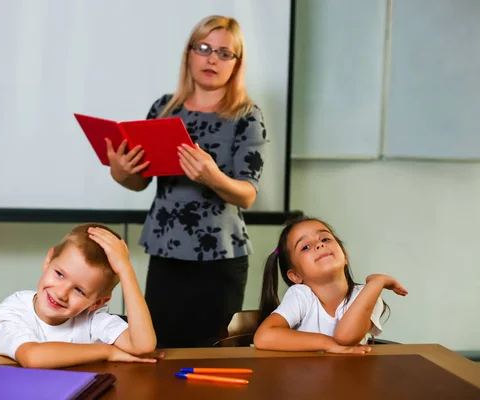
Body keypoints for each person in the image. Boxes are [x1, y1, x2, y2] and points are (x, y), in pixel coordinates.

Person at [105, 15, 268, 348]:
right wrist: (121, 171)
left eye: (225, 53)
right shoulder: (164, 109)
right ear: (189, 54)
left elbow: (247, 195)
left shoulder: (246, 115)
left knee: (211, 351)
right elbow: (141, 182)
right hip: (166, 250)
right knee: (160, 347)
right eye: (204, 48)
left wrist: (212, 176)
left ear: (236, 64)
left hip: (220, 257)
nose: (211, 58)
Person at [0, 223, 158, 368]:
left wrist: (125, 269)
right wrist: (107, 351)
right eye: (60, 274)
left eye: (79, 290)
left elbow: (143, 345)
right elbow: (33, 357)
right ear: (48, 261)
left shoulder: (91, 320)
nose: (61, 293)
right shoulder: (15, 310)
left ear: (97, 303)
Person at [254, 216, 408, 354]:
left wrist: (376, 283)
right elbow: (263, 337)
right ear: (295, 276)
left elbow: (346, 337)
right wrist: (327, 344)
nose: (319, 245)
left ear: (345, 256)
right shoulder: (300, 295)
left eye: (325, 239)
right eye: (305, 247)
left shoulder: (368, 295)